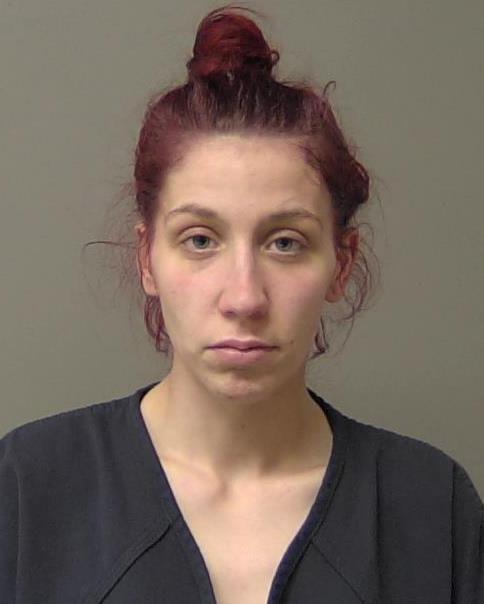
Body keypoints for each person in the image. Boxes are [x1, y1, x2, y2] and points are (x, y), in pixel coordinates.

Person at [1, 4, 483, 603]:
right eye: (200, 240)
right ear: (147, 258)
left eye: (285, 243)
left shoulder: (432, 507)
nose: (244, 297)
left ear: (342, 262)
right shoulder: (27, 487)